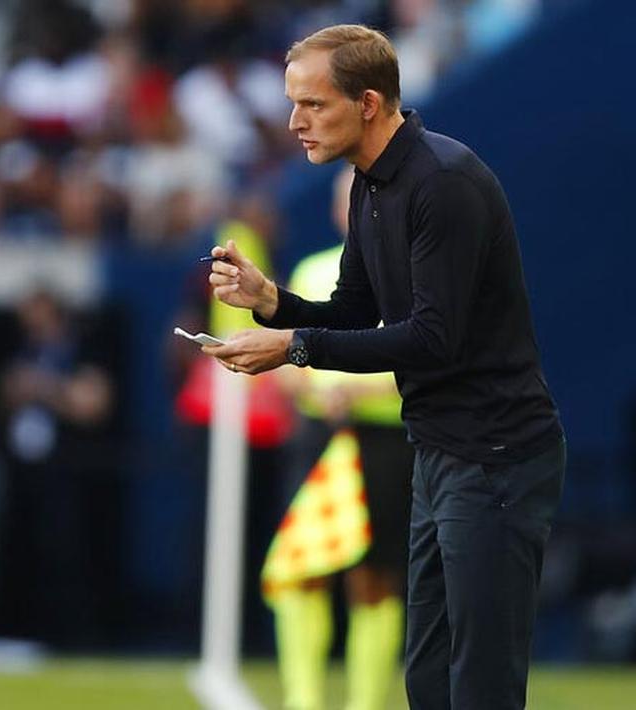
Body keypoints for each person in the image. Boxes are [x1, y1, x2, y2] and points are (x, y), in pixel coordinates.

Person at [203, 25, 564, 710]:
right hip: (439, 451)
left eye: (312, 105)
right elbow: (353, 306)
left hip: (496, 455)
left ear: (368, 103)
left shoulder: (443, 183)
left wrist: (293, 347)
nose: (293, 122)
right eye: (292, 103)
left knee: (479, 684)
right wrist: (271, 303)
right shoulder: (371, 184)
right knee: (428, 680)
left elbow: (434, 339)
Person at [267, 167, 412, 710]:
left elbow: (423, 357)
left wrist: (355, 391)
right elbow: (284, 355)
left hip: (384, 439)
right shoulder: (310, 271)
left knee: (375, 576)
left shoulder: (409, 274)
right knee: (303, 566)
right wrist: (306, 382)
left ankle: (365, 702)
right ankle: (303, 699)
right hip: (318, 439)